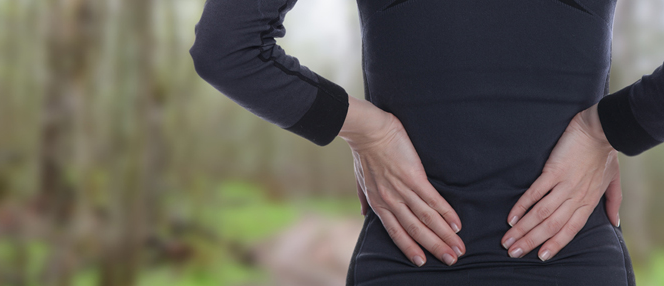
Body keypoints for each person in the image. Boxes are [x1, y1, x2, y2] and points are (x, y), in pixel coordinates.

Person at [189, 0, 664, 284]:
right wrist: (609, 127)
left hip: (408, 257)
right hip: (570, 258)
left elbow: (227, 49)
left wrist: (367, 130)